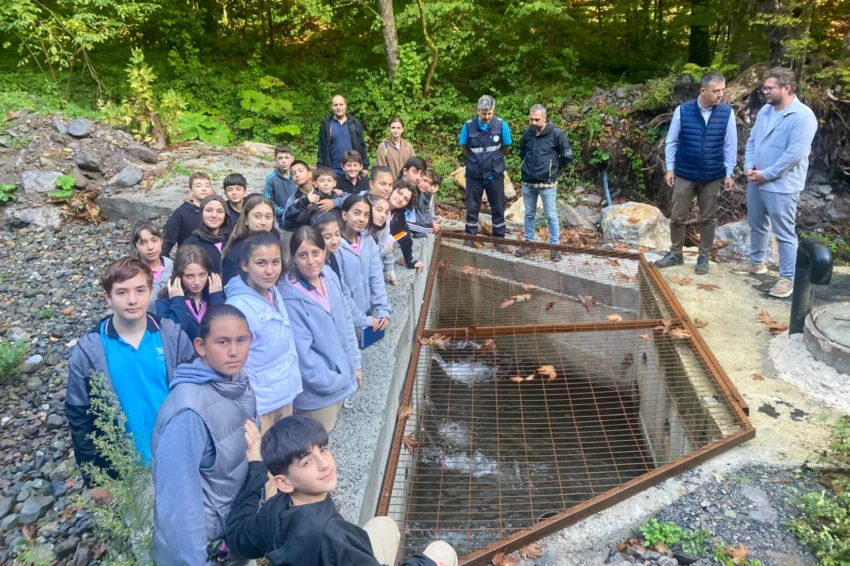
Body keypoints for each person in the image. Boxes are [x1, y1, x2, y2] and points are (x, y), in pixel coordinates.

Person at [226, 416, 458, 566]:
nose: (325, 464)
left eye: (323, 449)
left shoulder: (276, 508)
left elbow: (238, 537)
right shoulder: (334, 536)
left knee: (384, 524)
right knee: (442, 551)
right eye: (307, 462)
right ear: (283, 482)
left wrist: (256, 465)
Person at [66, 257, 195, 476]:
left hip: (177, 454)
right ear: (107, 297)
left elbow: (197, 393)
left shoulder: (173, 338)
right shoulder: (89, 351)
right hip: (125, 467)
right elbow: (79, 415)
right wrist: (94, 477)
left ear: (151, 290)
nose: (132, 300)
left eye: (140, 290)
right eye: (122, 292)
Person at [151, 304, 257, 566]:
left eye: (241, 340)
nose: (234, 351)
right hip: (210, 549)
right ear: (200, 346)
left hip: (234, 531)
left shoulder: (237, 379)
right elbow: (177, 504)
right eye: (222, 342)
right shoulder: (188, 412)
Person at [737, 67, 818, 298]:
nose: (764, 92)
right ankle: (756, 263)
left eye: (769, 88)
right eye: (764, 87)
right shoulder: (765, 111)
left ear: (786, 88)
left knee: (784, 233)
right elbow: (752, 141)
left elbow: (794, 155)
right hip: (756, 180)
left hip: (782, 186)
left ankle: (787, 278)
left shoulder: (803, 117)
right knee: (756, 223)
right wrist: (749, 167)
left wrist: (767, 174)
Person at [655, 72, 738, 275]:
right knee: (677, 216)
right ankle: (675, 253)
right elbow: (672, 141)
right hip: (685, 172)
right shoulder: (683, 111)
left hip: (711, 175)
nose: (720, 95)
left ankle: (704, 257)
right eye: (715, 91)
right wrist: (670, 168)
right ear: (703, 90)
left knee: (708, 218)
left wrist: (729, 172)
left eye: (722, 91)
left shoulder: (727, 113)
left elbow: (730, 145)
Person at [280, 226, 361, 432]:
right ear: (294, 258)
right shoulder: (291, 298)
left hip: (342, 378)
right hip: (317, 394)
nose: (311, 261)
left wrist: (355, 364)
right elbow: (304, 356)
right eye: (302, 255)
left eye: (315, 253)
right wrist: (338, 379)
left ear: (324, 253)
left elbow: (347, 320)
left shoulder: (328, 275)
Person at [225, 232, 301, 443]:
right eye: (261, 263)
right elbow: (234, 364)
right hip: (262, 404)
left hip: (284, 392)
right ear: (245, 265)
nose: (270, 271)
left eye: (275, 262)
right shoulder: (238, 308)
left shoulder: (273, 291)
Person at [514, 104, 574, 262]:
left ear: (545, 118)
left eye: (537, 119)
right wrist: (525, 166)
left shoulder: (556, 134)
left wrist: (553, 168)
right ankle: (529, 243)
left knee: (550, 215)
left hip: (547, 183)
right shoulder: (528, 134)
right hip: (528, 182)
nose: (533, 122)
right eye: (531, 119)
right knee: (529, 214)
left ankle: (555, 247)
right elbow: (522, 152)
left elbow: (567, 154)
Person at [337, 195, 391, 341]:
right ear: (344, 214)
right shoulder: (336, 247)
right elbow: (342, 291)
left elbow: (376, 277)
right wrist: (361, 319)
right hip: (346, 318)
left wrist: (383, 309)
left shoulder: (367, 240)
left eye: (366, 215)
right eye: (356, 213)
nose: (362, 219)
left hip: (367, 311)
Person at [460, 95, 511, 243]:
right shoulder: (468, 126)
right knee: (472, 207)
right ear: (478, 111)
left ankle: (499, 240)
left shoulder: (501, 125)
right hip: (473, 175)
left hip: (495, 175)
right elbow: (464, 148)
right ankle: (469, 238)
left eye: (490, 113)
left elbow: (506, 148)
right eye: (484, 113)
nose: (487, 116)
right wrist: (475, 160)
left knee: (498, 208)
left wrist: (494, 161)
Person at [156, 245, 225, 342]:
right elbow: (174, 337)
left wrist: (216, 299)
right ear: (179, 276)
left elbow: (223, 330)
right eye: (190, 276)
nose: (197, 282)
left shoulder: (214, 297)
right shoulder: (164, 303)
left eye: (202, 275)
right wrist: (177, 302)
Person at [222, 195, 279, 285]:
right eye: (257, 216)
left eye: (268, 217)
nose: (263, 222)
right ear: (246, 220)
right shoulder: (236, 253)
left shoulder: (275, 239)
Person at [317, 95, 370, 176]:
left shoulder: (354, 123)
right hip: (333, 170)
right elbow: (321, 147)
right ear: (332, 107)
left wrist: (365, 166)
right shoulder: (326, 125)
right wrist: (320, 167)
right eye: (336, 105)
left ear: (345, 105)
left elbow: (362, 145)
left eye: (341, 104)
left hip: (352, 168)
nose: (338, 107)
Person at [163, 172, 213, 255]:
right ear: (191, 191)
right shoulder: (181, 213)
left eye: (207, 186)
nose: (204, 189)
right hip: (189, 260)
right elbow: (167, 241)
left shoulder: (217, 212)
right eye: (198, 186)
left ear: (211, 190)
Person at [183, 194, 232, 274]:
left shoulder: (232, 241)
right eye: (209, 210)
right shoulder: (191, 244)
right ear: (201, 213)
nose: (214, 215)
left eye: (220, 211)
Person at [131, 221, 173, 312]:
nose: (150, 247)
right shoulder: (132, 274)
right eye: (143, 243)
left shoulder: (171, 265)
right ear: (135, 247)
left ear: (161, 241)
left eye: (154, 240)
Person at [388, 181, 426, 272]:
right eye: (399, 193)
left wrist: (411, 261)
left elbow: (405, 238)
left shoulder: (398, 216)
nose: (400, 199)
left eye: (406, 199)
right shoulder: (374, 203)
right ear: (392, 190)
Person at [366, 194, 397, 285]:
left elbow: (387, 244)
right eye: (379, 210)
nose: (383, 216)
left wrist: (389, 269)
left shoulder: (379, 227)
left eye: (386, 212)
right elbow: (366, 253)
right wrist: (385, 248)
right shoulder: (361, 232)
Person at [265, 145, 298, 228]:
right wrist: (284, 211)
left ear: (292, 159)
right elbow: (268, 201)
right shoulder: (271, 179)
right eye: (280, 158)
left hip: (301, 217)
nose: (284, 161)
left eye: (287, 157)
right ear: (275, 159)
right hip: (282, 221)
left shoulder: (298, 175)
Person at [408, 168, 442, 238]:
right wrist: (430, 227)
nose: (427, 185)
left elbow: (425, 212)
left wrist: (433, 220)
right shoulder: (411, 193)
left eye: (429, 183)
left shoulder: (421, 192)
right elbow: (408, 222)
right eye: (425, 180)